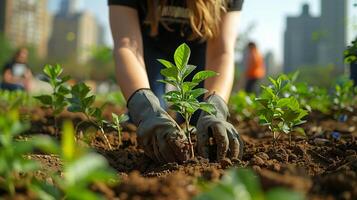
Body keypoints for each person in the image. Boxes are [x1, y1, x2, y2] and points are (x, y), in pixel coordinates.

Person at [109, 0, 244, 163]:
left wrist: (216, 107)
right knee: (151, 118)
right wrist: (144, 108)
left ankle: (182, 120)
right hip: (148, 43)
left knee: (203, 119)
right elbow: (128, 46)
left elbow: (221, 51)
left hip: (201, 44)